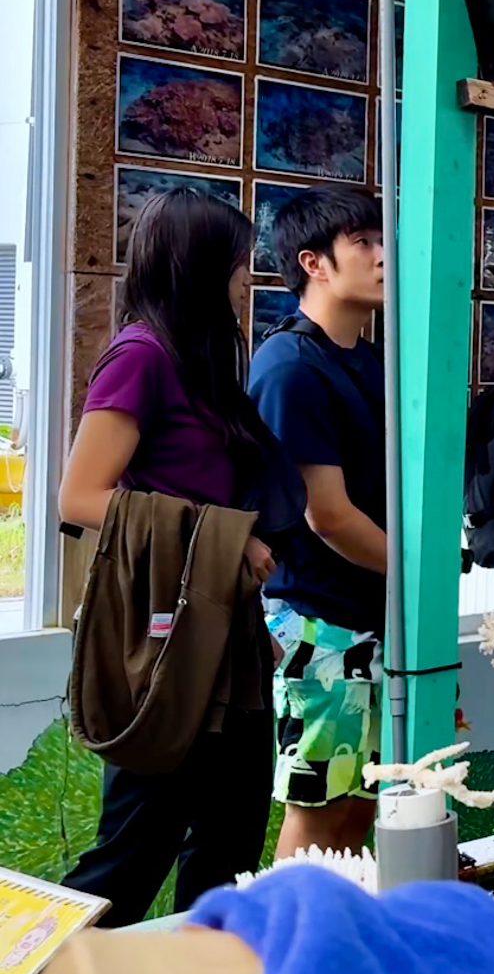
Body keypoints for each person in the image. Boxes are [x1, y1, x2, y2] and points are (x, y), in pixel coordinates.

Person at [58, 191, 293, 922]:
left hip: (226, 634)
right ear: (197, 267)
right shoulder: (140, 356)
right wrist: (228, 539)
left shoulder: (200, 363)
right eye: (236, 262)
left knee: (230, 843)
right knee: (133, 851)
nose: (245, 278)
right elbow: (81, 496)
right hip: (166, 641)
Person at [247, 186, 387, 858]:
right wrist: (419, 577)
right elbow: (326, 515)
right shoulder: (290, 367)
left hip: (376, 613)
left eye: (383, 241)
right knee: (316, 814)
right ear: (314, 263)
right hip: (319, 620)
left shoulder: (370, 360)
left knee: (365, 805)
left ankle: (344, 925)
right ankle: (292, 929)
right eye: (364, 243)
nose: (383, 257)